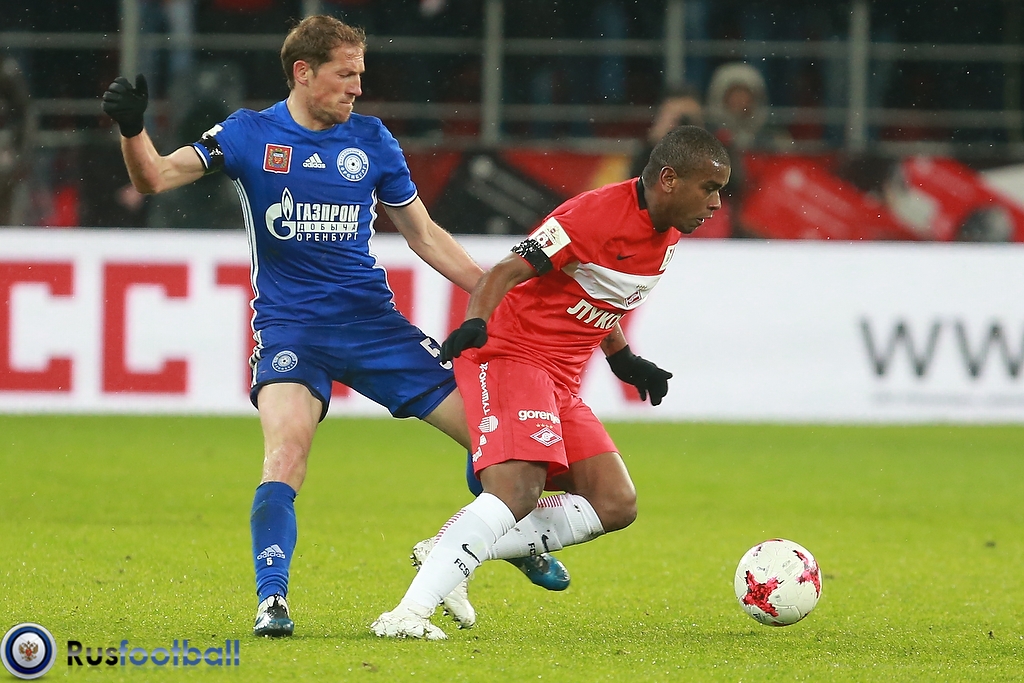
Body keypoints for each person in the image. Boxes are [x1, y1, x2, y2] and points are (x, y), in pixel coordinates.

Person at [101, 14, 567, 639]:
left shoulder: (371, 140)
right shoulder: (248, 134)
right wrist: (133, 129)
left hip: (373, 327)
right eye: (345, 75)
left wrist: (495, 297)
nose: (357, 87)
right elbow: (153, 176)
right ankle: (272, 601)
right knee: (285, 455)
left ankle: (502, 538)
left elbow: (425, 236)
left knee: (494, 438)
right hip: (291, 330)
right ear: (304, 72)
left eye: (360, 74)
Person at [372, 125, 731, 640]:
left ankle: (450, 552)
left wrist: (624, 358)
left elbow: (599, 294)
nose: (716, 203)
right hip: (513, 357)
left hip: (559, 379)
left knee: (615, 502)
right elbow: (504, 271)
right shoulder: (591, 216)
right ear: (669, 179)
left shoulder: (668, 234)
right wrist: (476, 323)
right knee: (517, 490)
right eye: (709, 188)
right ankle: (407, 614)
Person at [628, 83, 704, 180]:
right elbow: (639, 181)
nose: (683, 130)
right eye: (676, 122)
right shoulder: (648, 157)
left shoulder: (716, 155)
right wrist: (654, 144)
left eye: (687, 121)